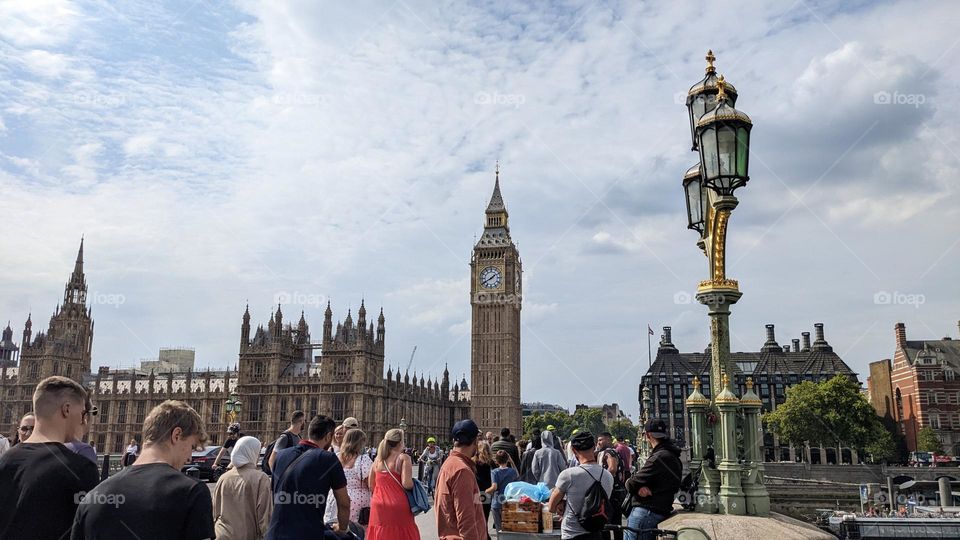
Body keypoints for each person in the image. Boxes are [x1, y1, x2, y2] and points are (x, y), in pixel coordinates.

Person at [71, 400, 214, 540]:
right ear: (176, 435)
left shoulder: (92, 498)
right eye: (192, 447)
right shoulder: (191, 492)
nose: (189, 457)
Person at [0, 376, 99, 540]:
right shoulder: (79, 468)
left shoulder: (6, 460)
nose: (84, 420)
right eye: (82, 413)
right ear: (66, 409)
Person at [268, 415, 350, 539]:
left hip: (276, 533)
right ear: (328, 436)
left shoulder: (281, 456)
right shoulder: (328, 459)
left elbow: (274, 494)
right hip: (307, 533)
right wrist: (342, 528)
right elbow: (344, 503)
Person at [548, 431, 614, 540]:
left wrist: (562, 504)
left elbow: (551, 507)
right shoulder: (608, 476)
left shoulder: (568, 475)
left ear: (574, 450)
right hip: (596, 533)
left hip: (572, 533)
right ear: (594, 447)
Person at [623, 419, 682, 540]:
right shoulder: (673, 456)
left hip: (646, 512)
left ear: (648, 435)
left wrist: (633, 484)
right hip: (660, 510)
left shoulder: (658, 458)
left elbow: (631, 483)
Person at [213, 435, 272, 540]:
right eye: (258, 453)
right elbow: (264, 519)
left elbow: (215, 513)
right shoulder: (260, 478)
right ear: (251, 453)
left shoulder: (224, 478)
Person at [436, 419, 487, 540]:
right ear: (475, 441)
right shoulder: (462, 470)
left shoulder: (449, 464)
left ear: (454, 441)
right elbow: (466, 518)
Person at [367, 428, 419, 540]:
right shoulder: (404, 458)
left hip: (378, 504)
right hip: (398, 504)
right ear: (400, 442)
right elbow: (407, 484)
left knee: (380, 533)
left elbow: (371, 485)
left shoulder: (377, 460)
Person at [324, 428, 373, 526]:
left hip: (335, 499)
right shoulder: (363, 459)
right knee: (356, 532)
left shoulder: (335, 457)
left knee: (335, 530)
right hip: (358, 504)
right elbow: (371, 485)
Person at [597, 432, 627, 540]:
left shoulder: (609, 452)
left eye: (601, 440)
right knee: (615, 523)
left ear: (608, 440)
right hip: (615, 491)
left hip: (612, 492)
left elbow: (612, 468)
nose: (598, 443)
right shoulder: (610, 452)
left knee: (607, 522)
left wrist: (600, 481)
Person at [488, 450, 519, 532]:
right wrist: (511, 462)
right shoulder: (512, 472)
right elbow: (517, 475)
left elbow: (494, 487)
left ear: (497, 461)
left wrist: (485, 491)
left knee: (499, 529)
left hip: (497, 502)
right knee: (509, 528)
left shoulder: (494, 472)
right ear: (507, 459)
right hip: (509, 502)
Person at [474, 440, 494, 534]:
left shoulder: (473, 461)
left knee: (476, 516)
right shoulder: (491, 462)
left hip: (475, 490)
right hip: (487, 491)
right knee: (485, 516)